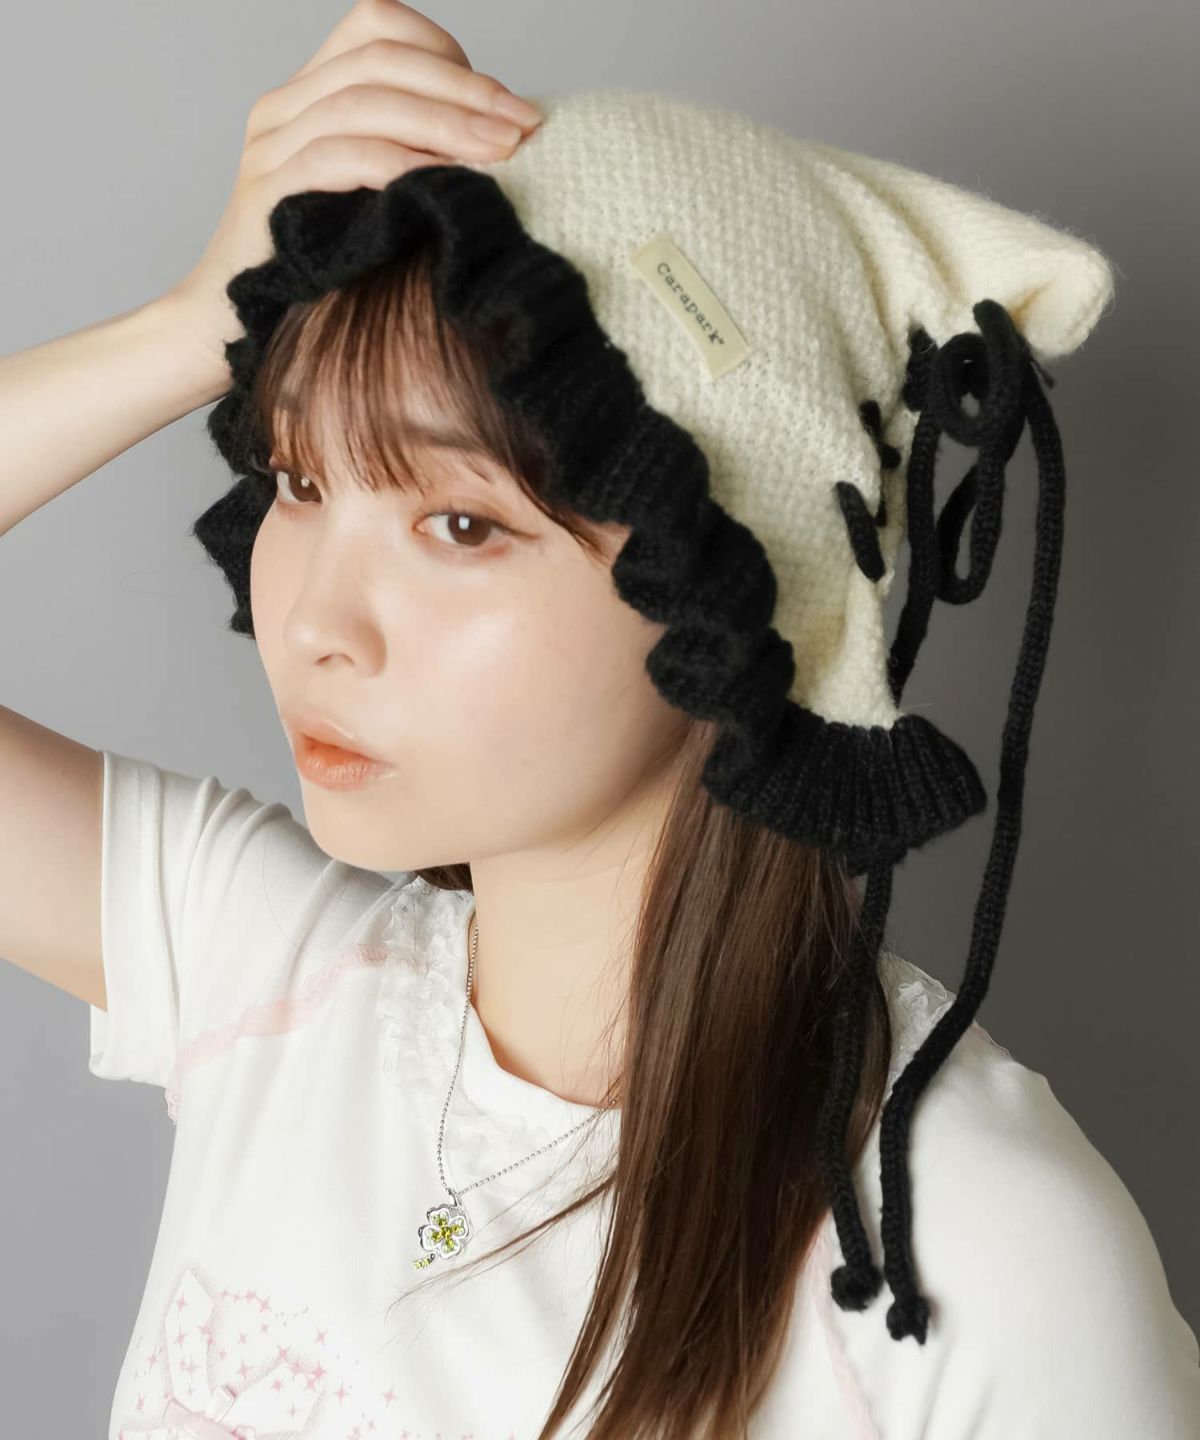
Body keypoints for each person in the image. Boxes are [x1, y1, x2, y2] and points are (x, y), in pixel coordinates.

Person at [2, 3, 1198, 1437]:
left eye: (460, 524)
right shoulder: (259, 967)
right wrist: (192, 319)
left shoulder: (972, 1247)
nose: (316, 622)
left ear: (727, 590)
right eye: (301, 484)